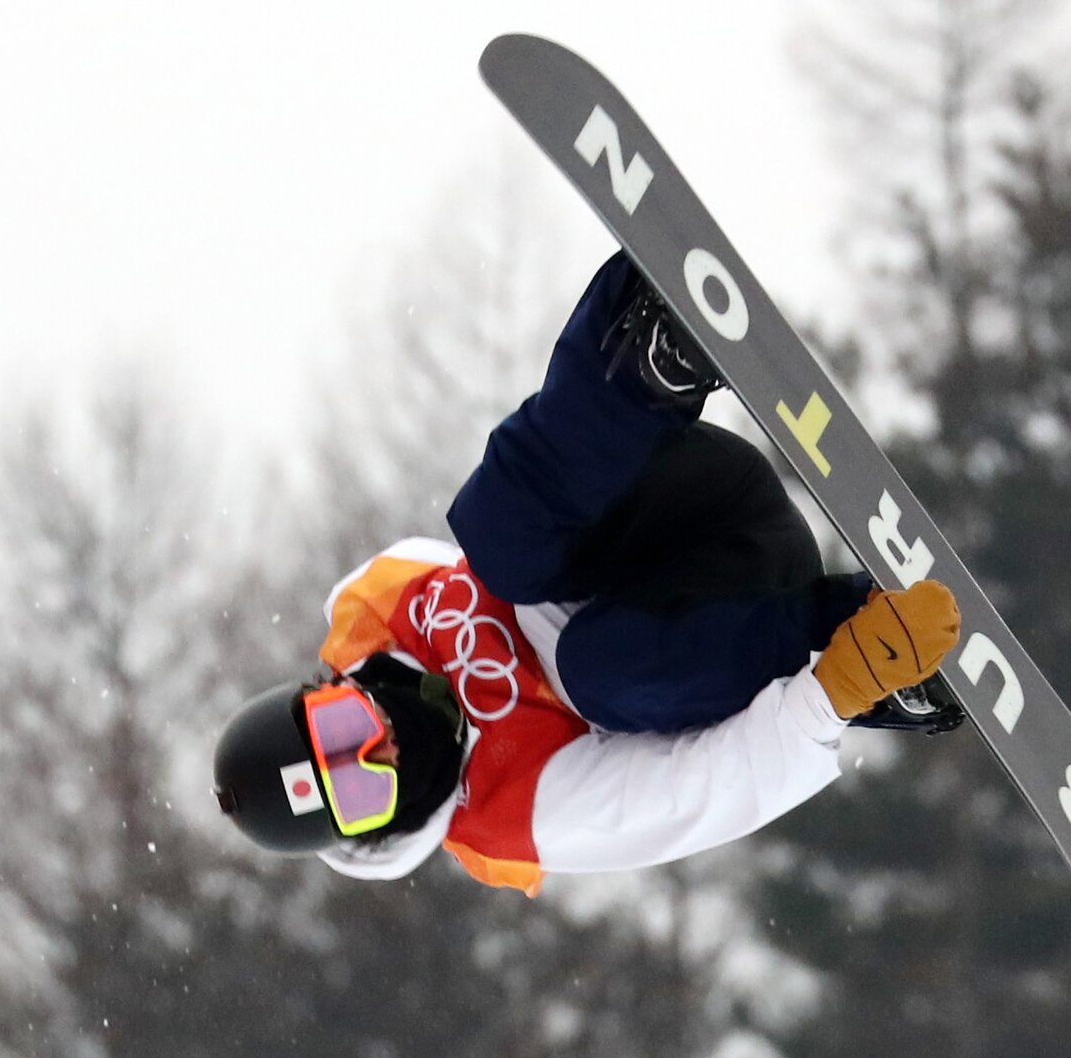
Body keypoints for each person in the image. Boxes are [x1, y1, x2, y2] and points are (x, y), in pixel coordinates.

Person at [213, 253, 962, 894]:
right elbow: (692, 794)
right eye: (361, 788)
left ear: (327, 691)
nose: (382, 749)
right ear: (368, 831)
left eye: (342, 731)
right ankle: (856, 645)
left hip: (683, 503)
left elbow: (533, 489)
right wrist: (829, 697)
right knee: (599, 671)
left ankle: (646, 355)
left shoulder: (379, 607)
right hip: (740, 618)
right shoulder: (514, 813)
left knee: (500, 544)